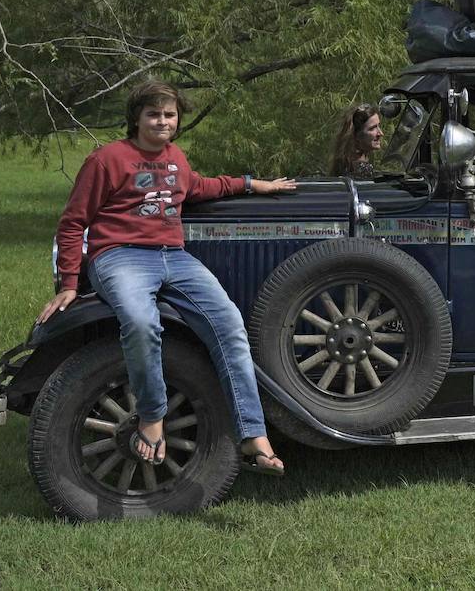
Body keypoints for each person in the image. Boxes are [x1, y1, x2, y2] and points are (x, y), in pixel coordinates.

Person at [36, 81, 296, 477]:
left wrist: (251, 184)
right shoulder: (106, 160)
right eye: (154, 114)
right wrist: (70, 282)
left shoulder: (176, 157)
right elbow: (73, 224)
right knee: (141, 323)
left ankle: (253, 436)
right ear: (137, 118)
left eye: (169, 114)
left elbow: (199, 187)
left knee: (229, 324)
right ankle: (152, 415)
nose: (162, 121)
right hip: (119, 257)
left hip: (174, 258)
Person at [329, 102, 384, 178]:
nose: (380, 133)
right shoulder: (357, 172)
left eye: (378, 126)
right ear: (356, 135)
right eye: (372, 128)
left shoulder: (346, 165)